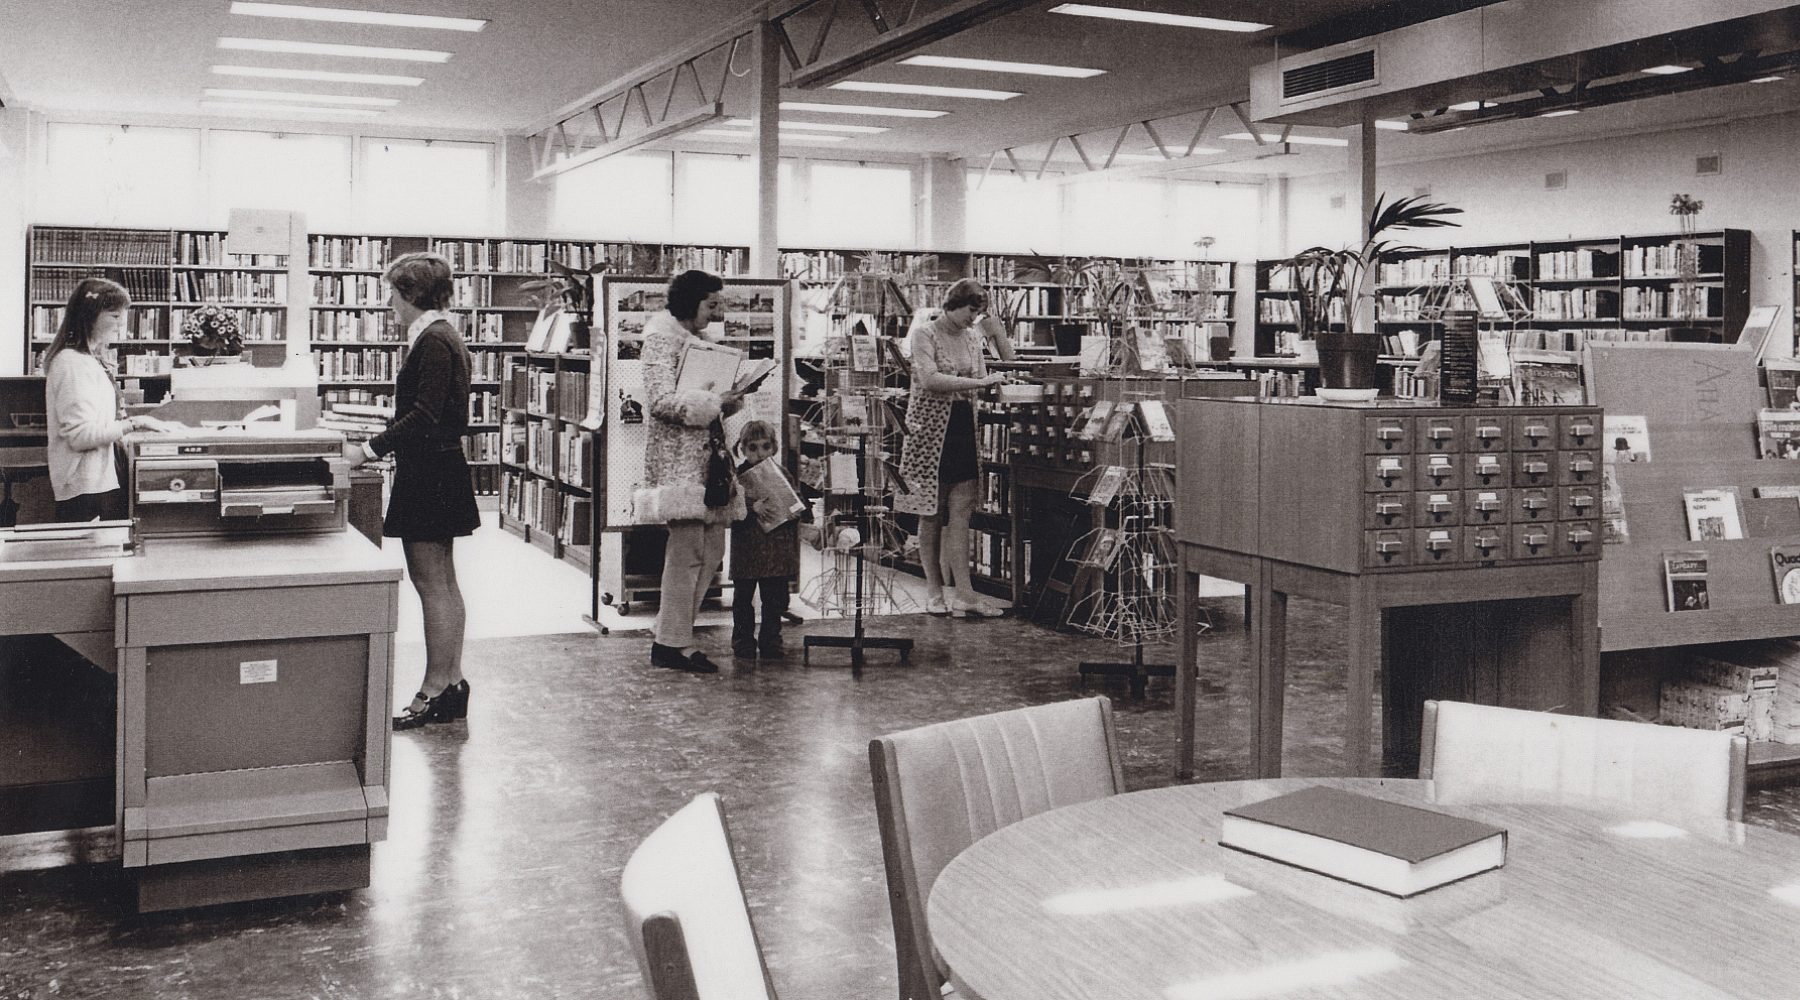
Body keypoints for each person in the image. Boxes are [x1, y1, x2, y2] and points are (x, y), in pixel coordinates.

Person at [344, 252, 481, 730]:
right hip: (440, 469)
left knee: (431, 585)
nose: (389, 303)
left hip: (428, 473)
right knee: (444, 582)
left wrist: (366, 450)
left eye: (392, 293)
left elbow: (423, 415)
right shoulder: (442, 334)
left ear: (410, 294)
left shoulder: (434, 340)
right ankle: (452, 682)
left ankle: (435, 687)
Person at [637, 269, 745, 674]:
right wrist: (712, 401)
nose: (716, 313)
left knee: (712, 549)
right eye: (711, 304)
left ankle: (670, 630)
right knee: (688, 551)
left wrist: (728, 401)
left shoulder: (699, 342)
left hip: (706, 459)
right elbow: (660, 400)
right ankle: (672, 643)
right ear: (690, 301)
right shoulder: (659, 340)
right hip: (678, 460)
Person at [894, 278, 1015, 618]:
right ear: (953, 304)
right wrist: (978, 382)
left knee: (961, 515)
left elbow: (990, 373)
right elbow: (930, 379)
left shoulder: (973, 337)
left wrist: (997, 335)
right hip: (929, 433)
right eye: (969, 311)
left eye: (977, 313)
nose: (972, 318)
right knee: (931, 513)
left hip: (963, 429)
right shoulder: (924, 334)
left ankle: (965, 594)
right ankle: (934, 592)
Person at [41, 277, 173, 522]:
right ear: (89, 316)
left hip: (97, 483)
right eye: (114, 315)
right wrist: (135, 423)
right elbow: (81, 436)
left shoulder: (88, 360)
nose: (121, 323)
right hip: (85, 489)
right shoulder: (71, 363)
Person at [728, 419, 807, 660]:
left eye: (765, 447)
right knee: (743, 598)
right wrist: (751, 506)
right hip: (747, 547)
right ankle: (743, 641)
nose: (760, 453)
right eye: (752, 448)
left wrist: (795, 510)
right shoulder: (737, 478)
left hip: (775, 549)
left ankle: (771, 640)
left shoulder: (782, 473)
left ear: (773, 447)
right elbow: (730, 509)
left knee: (773, 600)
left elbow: (797, 501)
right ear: (743, 449)